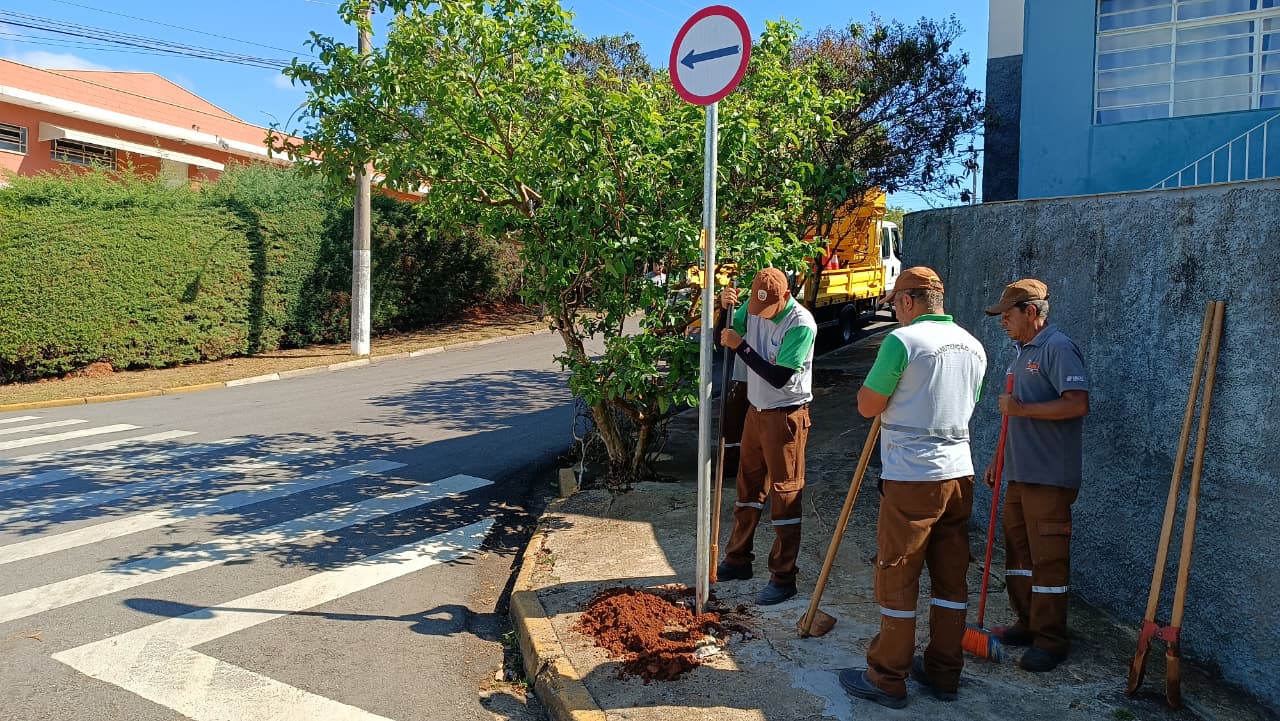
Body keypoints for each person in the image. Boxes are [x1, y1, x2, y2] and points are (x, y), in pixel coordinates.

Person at [839, 266, 987, 709]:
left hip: (912, 476)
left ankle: (887, 676)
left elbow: (868, 405)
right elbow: (970, 404)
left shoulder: (902, 341)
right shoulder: (975, 346)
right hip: (959, 473)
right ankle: (944, 671)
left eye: (895, 305)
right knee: (950, 576)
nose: (895, 313)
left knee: (898, 575)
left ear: (907, 301)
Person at [983, 279, 1090, 673]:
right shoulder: (1021, 351)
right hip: (1020, 473)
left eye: (1007, 315)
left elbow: (1077, 405)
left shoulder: (1058, 348)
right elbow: (1013, 413)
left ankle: (1051, 639)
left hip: (1050, 476)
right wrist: (999, 458)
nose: (1002, 322)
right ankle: (1026, 623)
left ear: (1031, 312)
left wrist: (1023, 410)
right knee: (1019, 556)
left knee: (1048, 561)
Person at [713, 267, 817, 606]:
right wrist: (722, 313)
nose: (760, 316)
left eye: (768, 310)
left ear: (785, 297)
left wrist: (740, 345)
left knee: (785, 494)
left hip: (786, 415)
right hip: (755, 413)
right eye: (755, 309)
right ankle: (738, 558)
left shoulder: (801, 324)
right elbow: (724, 338)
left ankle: (783, 576)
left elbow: (778, 376)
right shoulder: (755, 309)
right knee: (748, 486)